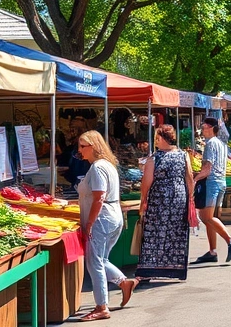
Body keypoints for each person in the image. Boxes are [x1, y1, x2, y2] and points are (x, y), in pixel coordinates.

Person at [77, 130, 138, 320]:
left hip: (102, 219)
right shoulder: (108, 165)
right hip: (112, 216)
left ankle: (101, 306)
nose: (80, 151)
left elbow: (99, 197)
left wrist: (89, 222)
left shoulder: (97, 168)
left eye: (82, 146)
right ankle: (124, 283)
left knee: (95, 263)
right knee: (101, 260)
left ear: (93, 147)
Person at [137, 125, 193, 281]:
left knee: (154, 231)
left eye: (156, 138)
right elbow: (189, 177)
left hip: (159, 199)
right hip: (179, 197)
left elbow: (147, 181)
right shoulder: (183, 155)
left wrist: (143, 199)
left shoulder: (155, 158)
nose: (155, 141)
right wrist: (190, 197)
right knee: (176, 232)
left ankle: (149, 270)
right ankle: (176, 268)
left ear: (161, 138)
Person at [193, 118, 231, 263]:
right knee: (207, 216)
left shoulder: (210, 144)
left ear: (211, 128)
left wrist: (194, 179)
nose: (202, 128)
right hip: (221, 181)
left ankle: (230, 241)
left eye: (204, 126)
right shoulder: (221, 144)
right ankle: (212, 251)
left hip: (212, 182)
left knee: (207, 217)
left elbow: (208, 169)